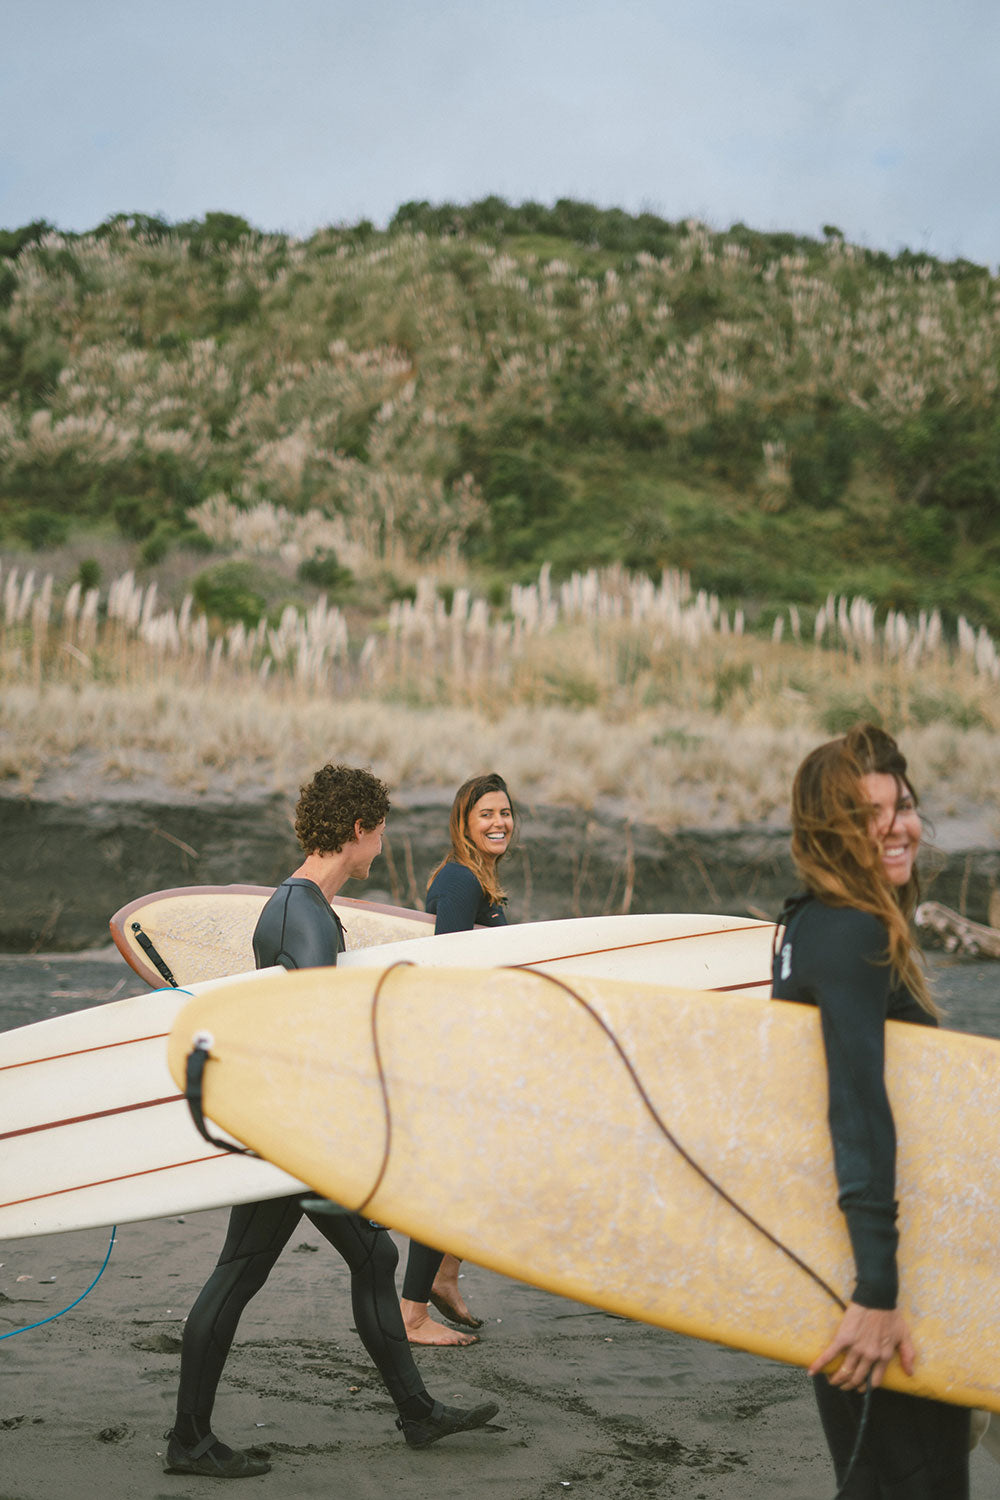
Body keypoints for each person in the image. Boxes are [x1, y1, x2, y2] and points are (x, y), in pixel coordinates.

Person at [164, 764, 499, 1478]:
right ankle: (188, 1439)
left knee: (372, 1257)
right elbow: (320, 1038)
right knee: (237, 1275)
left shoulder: (299, 907)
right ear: (358, 830)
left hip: (286, 1130)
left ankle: (417, 1413)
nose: (381, 845)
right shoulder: (305, 914)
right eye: (379, 831)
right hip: (287, 1138)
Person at [771, 724, 970, 1498]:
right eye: (868, 813)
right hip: (874, 1274)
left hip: (843, 1257)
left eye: (905, 805)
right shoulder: (851, 932)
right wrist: (880, 1291)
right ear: (829, 830)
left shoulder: (810, 922)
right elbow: (857, 1111)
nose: (897, 826)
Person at [400, 772, 515, 1347]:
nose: (499, 823)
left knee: (473, 1175)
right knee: (449, 1181)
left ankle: (443, 1277)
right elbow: (444, 974)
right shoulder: (461, 880)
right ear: (464, 823)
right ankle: (412, 1312)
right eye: (486, 814)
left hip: (472, 1052)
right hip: (455, 1057)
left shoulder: (476, 879)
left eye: (505, 813)